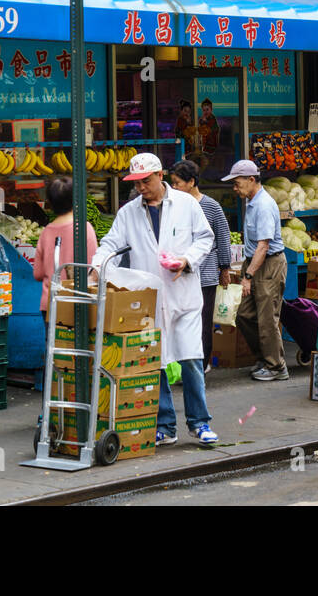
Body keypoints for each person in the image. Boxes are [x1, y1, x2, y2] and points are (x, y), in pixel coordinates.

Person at [92, 152, 216, 446]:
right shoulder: (128, 212)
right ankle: (165, 425)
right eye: (136, 183)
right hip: (149, 300)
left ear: (160, 175)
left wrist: (186, 260)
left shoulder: (187, 205)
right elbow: (111, 243)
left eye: (146, 181)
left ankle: (199, 423)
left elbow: (205, 238)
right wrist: (98, 266)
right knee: (155, 362)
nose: (141, 188)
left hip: (183, 295)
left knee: (190, 360)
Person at [222, 159, 289, 382]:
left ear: (251, 180)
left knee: (267, 317)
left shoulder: (263, 205)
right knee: (243, 314)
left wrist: (248, 276)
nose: (234, 188)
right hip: (254, 262)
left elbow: (264, 246)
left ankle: (277, 366)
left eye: (237, 183)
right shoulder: (251, 202)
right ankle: (264, 357)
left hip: (268, 264)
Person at [170, 159, 232, 372]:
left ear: (192, 182)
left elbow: (223, 238)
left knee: (203, 323)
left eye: (177, 183)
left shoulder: (211, 206)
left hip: (205, 275)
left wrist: (225, 268)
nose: (174, 187)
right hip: (179, 275)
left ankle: (202, 364)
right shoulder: (173, 206)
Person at [33, 177, 98, 316]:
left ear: (50, 203)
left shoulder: (46, 232)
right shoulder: (84, 228)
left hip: (51, 303)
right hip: (79, 301)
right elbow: (93, 267)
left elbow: (37, 273)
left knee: (52, 338)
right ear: (76, 200)